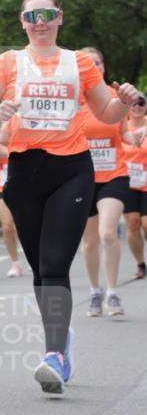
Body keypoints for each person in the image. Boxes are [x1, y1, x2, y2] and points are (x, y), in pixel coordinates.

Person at [0, 0, 140, 396]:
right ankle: (62, 340)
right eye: (31, 16)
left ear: (59, 17)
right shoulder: (7, 63)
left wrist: (124, 101)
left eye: (46, 14)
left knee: (56, 262)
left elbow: (106, 113)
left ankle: (53, 356)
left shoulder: (78, 62)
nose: (39, 22)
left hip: (71, 170)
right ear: (22, 22)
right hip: (24, 172)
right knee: (41, 271)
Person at [79, 48, 131, 317]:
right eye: (87, 63)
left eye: (97, 62)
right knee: (89, 243)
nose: (93, 66)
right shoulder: (72, 100)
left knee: (108, 233)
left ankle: (112, 292)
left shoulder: (114, 97)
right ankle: (94, 291)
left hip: (114, 175)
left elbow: (125, 135)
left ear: (103, 66)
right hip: (82, 177)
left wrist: (139, 137)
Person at [0, 121, 23, 277]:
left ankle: (34, 256)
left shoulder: (23, 136)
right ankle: (15, 263)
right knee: (7, 226)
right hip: (2, 186)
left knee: (23, 226)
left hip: (23, 186)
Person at [123, 94, 147, 279]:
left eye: (141, 103)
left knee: (146, 224)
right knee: (132, 223)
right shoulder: (122, 125)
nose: (137, 106)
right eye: (134, 103)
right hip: (127, 181)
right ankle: (140, 264)